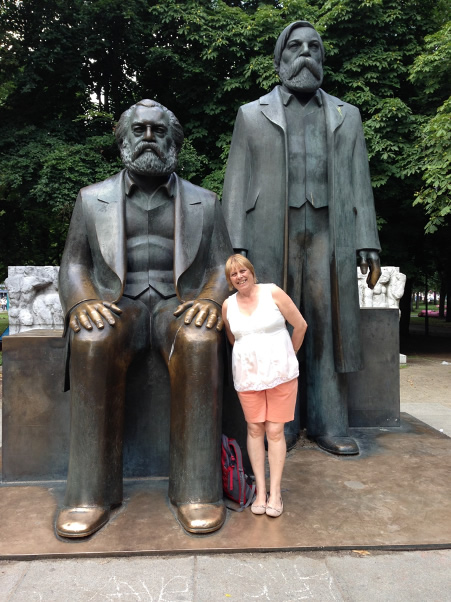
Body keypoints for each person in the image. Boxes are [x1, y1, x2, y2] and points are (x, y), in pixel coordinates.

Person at [56, 99, 232, 538]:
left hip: (178, 302)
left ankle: (197, 492)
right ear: (123, 140)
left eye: (159, 131)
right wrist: (81, 303)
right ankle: (88, 496)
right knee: (92, 339)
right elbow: (74, 266)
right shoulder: (90, 199)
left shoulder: (205, 202)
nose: (149, 138)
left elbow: (220, 266)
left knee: (198, 338)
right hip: (121, 305)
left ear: (174, 142)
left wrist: (211, 300)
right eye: (140, 130)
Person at [222, 21, 381, 456]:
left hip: (331, 233)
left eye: (314, 47)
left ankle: (330, 422)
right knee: (274, 328)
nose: (305, 54)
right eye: (295, 47)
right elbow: (236, 184)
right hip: (271, 233)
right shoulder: (252, 115)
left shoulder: (347, 116)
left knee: (328, 327)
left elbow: (359, 181)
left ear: (323, 59)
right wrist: (235, 246)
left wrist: (367, 238)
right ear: (279, 60)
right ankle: (283, 425)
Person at [222, 254, 307, 517]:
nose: (239, 276)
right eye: (233, 274)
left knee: (275, 430)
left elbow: (300, 325)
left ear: (251, 271)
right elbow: (234, 339)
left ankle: (276, 492)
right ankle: (260, 491)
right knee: (255, 429)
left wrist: (287, 356)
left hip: (281, 375)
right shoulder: (228, 306)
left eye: (243, 270)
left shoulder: (273, 293)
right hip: (248, 378)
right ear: (230, 279)